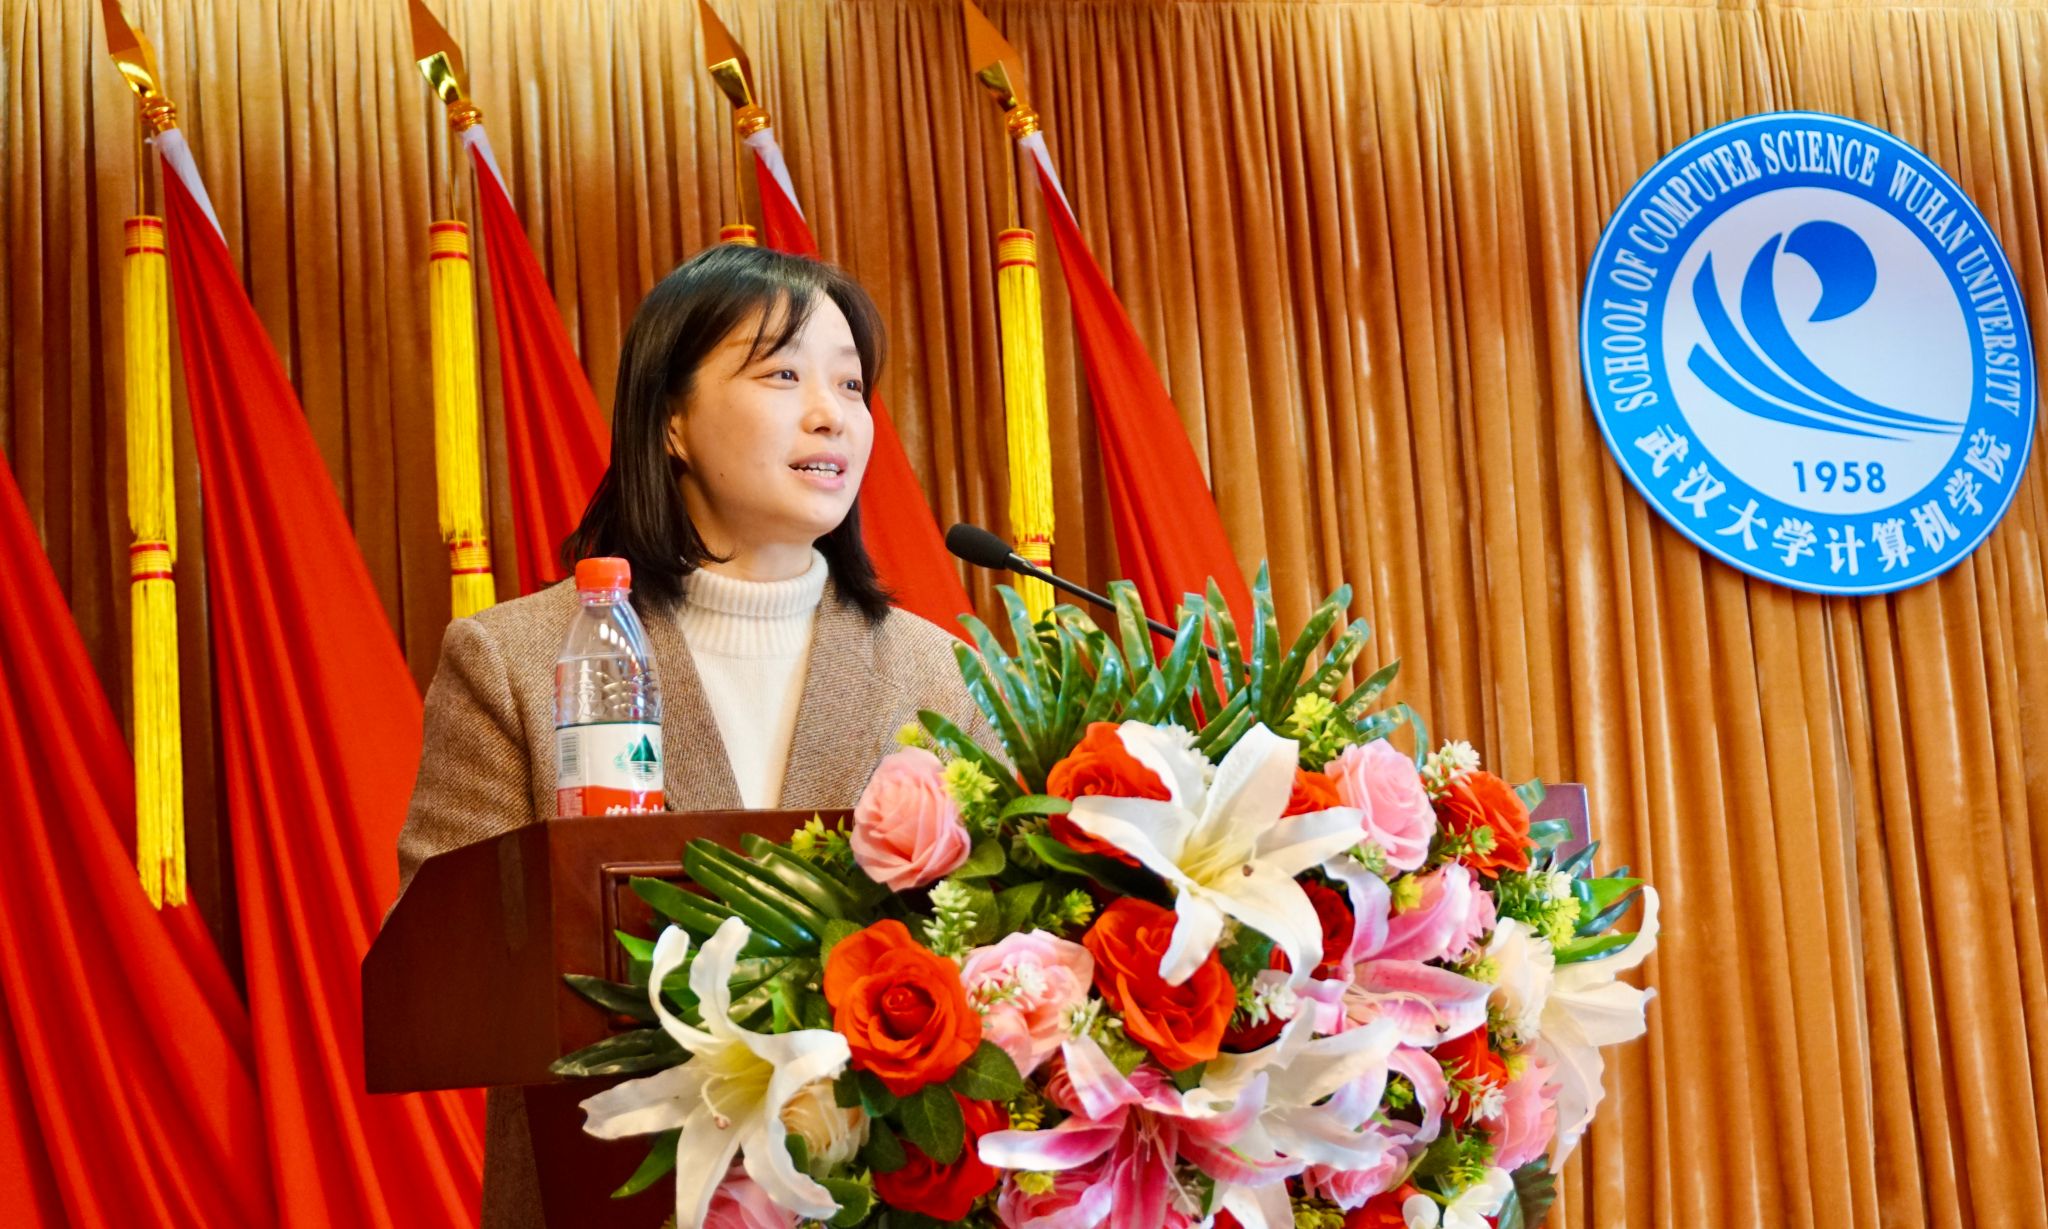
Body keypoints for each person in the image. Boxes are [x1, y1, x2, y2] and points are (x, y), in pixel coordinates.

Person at [391, 243, 992, 1227]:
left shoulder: (940, 675)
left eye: (850, 384)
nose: (831, 414)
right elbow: (450, 970)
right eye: (783, 375)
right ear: (670, 419)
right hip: (615, 1197)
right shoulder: (513, 658)